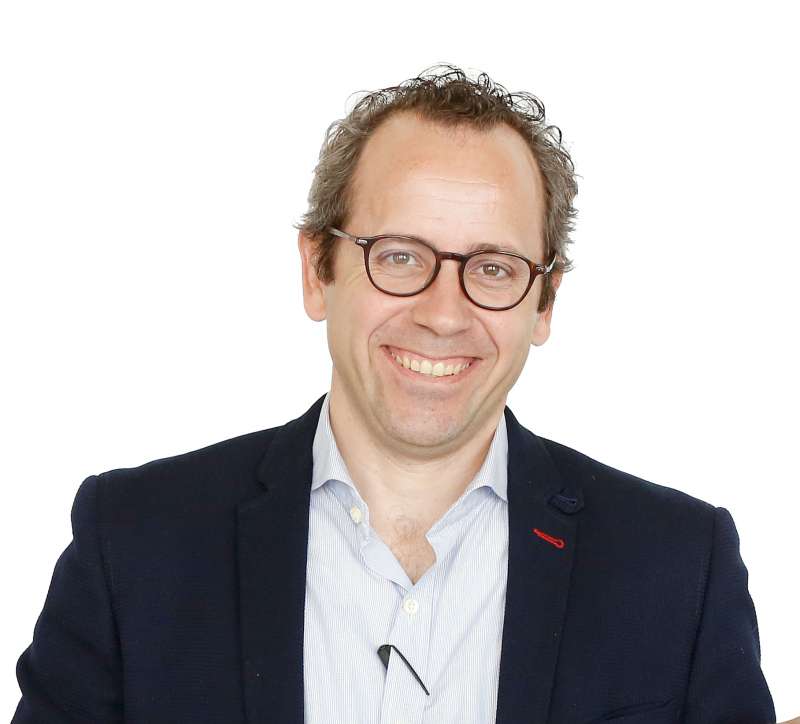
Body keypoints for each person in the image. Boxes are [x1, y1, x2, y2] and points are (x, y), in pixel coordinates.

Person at [12, 65, 775, 724]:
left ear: (545, 305)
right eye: (401, 256)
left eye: (494, 268)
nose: (443, 314)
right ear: (317, 271)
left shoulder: (680, 567)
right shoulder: (133, 544)